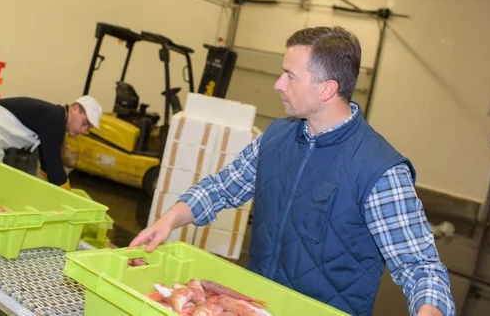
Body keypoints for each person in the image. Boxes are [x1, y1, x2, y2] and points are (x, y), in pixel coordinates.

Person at [130, 27, 455, 316]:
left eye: (290, 75)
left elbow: (422, 267)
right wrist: (168, 220)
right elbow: (221, 188)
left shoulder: (379, 169)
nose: (278, 84)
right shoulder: (276, 137)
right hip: (257, 306)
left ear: (326, 89)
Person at [0, 96, 102, 189]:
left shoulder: (52, 117)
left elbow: (47, 164)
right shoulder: (55, 119)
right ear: (74, 108)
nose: (83, 130)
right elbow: (53, 166)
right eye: (85, 123)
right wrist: (69, 197)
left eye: (88, 128)